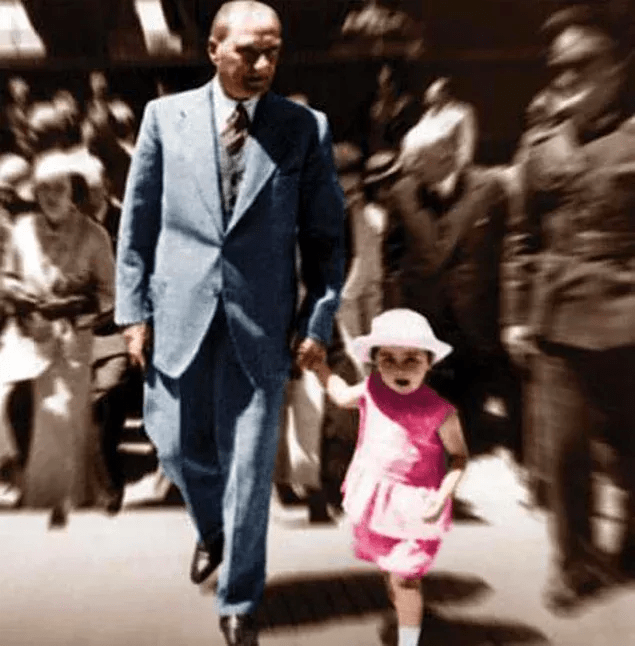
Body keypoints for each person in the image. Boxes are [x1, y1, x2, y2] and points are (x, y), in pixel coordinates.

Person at [114, 2, 345, 643]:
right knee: (174, 446)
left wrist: (317, 320)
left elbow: (327, 238)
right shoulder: (164, 119)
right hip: (176, 316)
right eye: (248, 51)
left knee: (248, 466)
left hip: (261, 324)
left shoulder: (305, 129)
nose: (263, 64)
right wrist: (133, 313)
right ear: (213, 50)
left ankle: (239, 600)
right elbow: (136, 225)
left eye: (273, 51)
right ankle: (214, 529)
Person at [503, 5, 635, 613]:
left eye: (582, 63)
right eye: (559, 67)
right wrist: (515, 316)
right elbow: (522, 239)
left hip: (629, 317)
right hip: (558, 321)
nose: (567, 77)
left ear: (618, 67)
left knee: (631, 449)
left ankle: (629, 548)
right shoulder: (541, 148)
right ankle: (573, 563)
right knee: (564, 453)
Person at [311, 309, 469, 646]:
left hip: (417, 505)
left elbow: (459, 458)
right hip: (376, 498)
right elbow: (340, 395)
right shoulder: (371, 390)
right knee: (392, 570)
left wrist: (442, 497)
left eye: (411, 359)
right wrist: (320, 367)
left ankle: (408, 640)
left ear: (429, 362)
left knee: (406, 578)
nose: (399, 369)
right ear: (374, 362)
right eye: (387, 359)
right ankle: (406, 616)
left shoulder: (440, 412)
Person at [384, 109, 523, 459]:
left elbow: (512, 253)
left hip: (477, 325)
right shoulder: (402, 194)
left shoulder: (491, 190)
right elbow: (393, 261)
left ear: (446, 155)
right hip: (426, 325)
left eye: (417, 159)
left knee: (474, 414)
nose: (409, 166)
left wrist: (511, 318)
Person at [2, 151, 119, 526]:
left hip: (72, 339)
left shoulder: (95, 235)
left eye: (58, 188)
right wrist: (19, 296)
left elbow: (111, 295)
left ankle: (63, 500)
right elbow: (6, 277)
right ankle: (17, 482)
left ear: (73, 192)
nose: (50, 196)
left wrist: (75, 305)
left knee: (63, 413)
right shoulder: (23, 230)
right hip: (26, 336)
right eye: (42, 189)